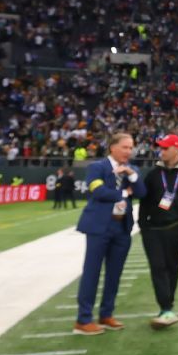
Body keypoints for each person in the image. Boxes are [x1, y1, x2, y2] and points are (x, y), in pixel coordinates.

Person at [73, 132, 146, 336]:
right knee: (92, 272)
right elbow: (97, 191)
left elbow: (141, 193)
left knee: (114, 274)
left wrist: (131, 175)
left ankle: (106, 314)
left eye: (131, 148)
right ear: (112, 147)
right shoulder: (97, 167)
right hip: (99, 227)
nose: (129, 151)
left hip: (122, 228)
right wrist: (123, 193)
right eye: (125, 147)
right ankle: (83, 319)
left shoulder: (133, 169)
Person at [137, 134, 178, 330]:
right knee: (158, 267)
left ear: (177, 149)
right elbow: (144, 202)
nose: (161, 151)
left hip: (176, 229)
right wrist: (142, 226)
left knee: (172, 268)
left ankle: (167, 308)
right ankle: (165, 308)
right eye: (161, 148)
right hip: (152, 230)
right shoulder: (153, 174)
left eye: (165, 148)